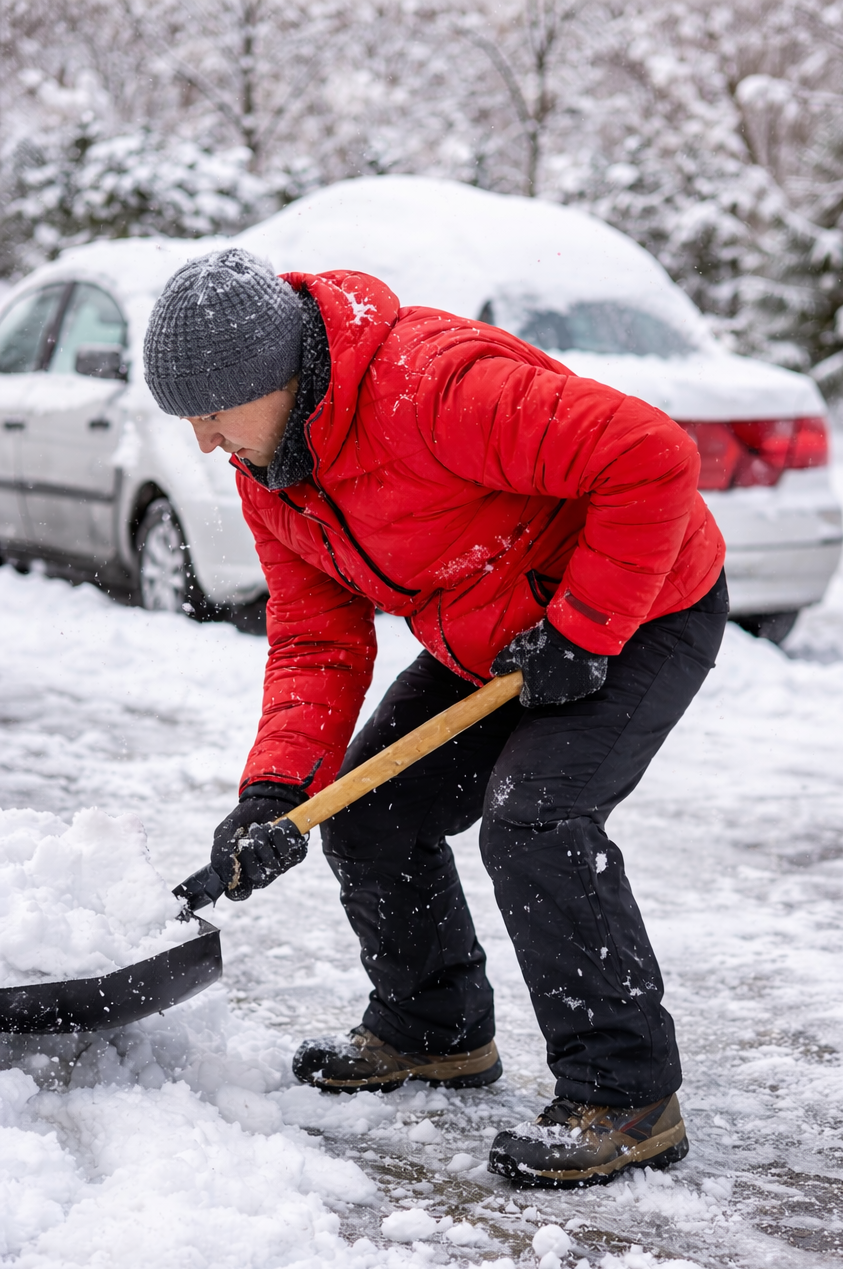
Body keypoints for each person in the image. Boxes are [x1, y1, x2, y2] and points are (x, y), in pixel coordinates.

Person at [143, 246, 728, 1189]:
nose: (205, 443)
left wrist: (584, 628)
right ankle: (434, 1029)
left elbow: (652, 458)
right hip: (496, 635)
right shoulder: (276, 476)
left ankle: (626, 1095)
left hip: (643, 604)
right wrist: (276, 787)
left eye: (212, 413)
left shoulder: (435, 388)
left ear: (276, 379)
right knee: (370, 813)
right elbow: (316, 638)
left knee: (534, 818)